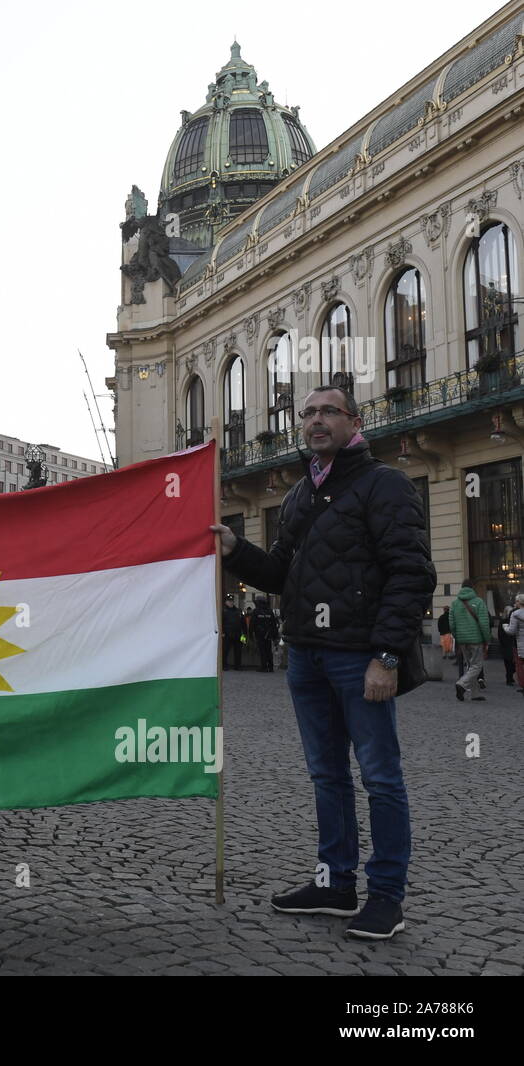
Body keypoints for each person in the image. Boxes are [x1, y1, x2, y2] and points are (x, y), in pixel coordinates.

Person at [210, 385, 436, 940]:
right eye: (307, 413)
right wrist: (236, 551)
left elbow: (412, 574)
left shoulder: (385, 484)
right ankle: (336, 883)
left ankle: (386, 896)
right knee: (326, 774)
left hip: (360, 657)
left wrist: (386, 656)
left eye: (327, 412)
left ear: (353, 422)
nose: (315, 421)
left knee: (381, 778)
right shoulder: (297, 495)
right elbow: (283, 575)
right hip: (306, 656)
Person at [449, 580, 491, 702]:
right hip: (476, 639)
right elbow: (484, 623)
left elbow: (452, 625)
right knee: (477, 666)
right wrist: (487, 639)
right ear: (473, 588)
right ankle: (462, 684)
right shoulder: (479, 602)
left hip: (462, 640)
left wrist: (458, 636)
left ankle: (475, 693)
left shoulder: (455, 604)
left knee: (470, 666)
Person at [251, 595, 280, 672]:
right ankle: (270, 667)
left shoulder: (256, 611)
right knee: (268, 650)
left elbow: (252, 624)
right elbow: (274, 624)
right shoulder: (270, 611)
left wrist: (251, 634)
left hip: (260, 635)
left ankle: (263, 667)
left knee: (262, 651)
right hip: (269, 634)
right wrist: (275, 636)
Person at [503, 593, 524, 695]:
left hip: (519, 645)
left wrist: (505, 627)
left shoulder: (515, 614)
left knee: (519, 665)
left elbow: (511, 631)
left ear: (519, 602)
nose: (515, 603)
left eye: (516, 601)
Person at [221, 594, 243, 670]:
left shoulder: (238, 611)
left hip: (238, 634)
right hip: (227, 634)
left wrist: (244, 634)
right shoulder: (223, 611)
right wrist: (222, 632)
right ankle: (224, 665)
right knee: (225, 651)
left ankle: (238, 666)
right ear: (226, 602)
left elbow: (242, 623)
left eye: (232, 601)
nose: (231, 602)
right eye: (229, 601)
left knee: (238, 651)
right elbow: (221, 622)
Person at [498, 607, 517, 688]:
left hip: (512, 644)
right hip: (506, 644)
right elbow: (500, 634)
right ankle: (509, 678)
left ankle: (510, 676)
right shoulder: (503, 621)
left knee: (512, 663)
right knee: (508, 662)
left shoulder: (514, 621)